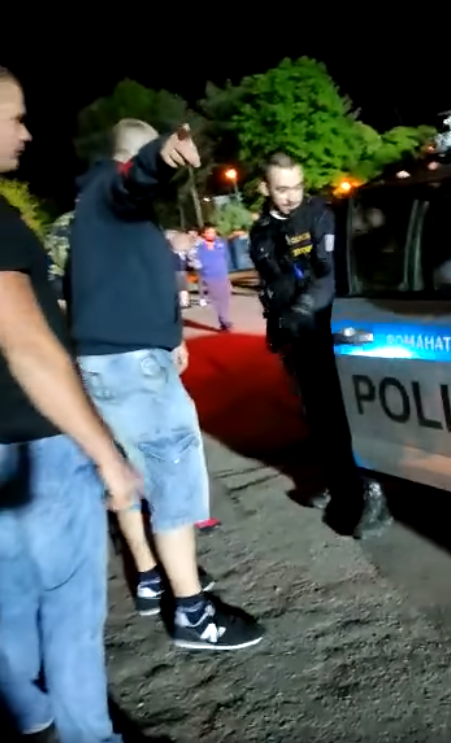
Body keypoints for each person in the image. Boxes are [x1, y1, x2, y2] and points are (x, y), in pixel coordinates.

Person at [66, 118, 263, 650]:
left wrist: (169, 335)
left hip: (120, 361)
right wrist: (159, 157)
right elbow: (134, 179)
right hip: (132, 368)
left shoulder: (98, 215)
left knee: (135, 474)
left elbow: (127, 284)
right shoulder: (111, 192)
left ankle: (155, 578)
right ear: (129, 156)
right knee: (173, 478)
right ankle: (193, 613)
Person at [0, 68, 141, 742]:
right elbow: (26, 344)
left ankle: (29, 714)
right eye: (13, 116)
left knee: (10, 603)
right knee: (70, 612)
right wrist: (105, 453)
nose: (25, 132)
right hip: (36, 447)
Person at [249, 152, 392, 539]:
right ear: (264, 188)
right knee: (319, 418)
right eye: (282, 189)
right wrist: (281, 327)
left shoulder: (317, 216)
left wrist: (303, 307)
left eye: (297, 186)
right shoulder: (261, 230)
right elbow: (271, 283)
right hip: (297, 338)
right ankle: (339, 483)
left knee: (346, 415)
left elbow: (327, 275)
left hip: (329, 330)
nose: (292, 196)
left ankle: (371, 494)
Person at [193, 223, 232, 330]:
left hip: (222, 275)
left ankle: (224, 321)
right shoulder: (199, 248)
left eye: (213, 232)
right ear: (203, 234)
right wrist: (201, 270)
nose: (212, 234)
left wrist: (227, 274)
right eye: (209, 232)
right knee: (217, 299)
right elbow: (194, 261)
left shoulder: (220, 245)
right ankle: (224, 320)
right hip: (209, 277)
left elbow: (226, 258)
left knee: (225, 298)